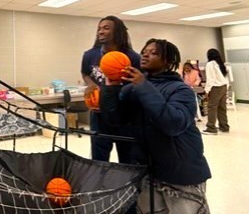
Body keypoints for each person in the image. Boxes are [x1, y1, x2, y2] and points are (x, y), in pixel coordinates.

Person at [101, 39, 211, 213]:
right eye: (144, 51)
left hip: (181, 174)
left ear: (167, 61)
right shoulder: (132, 89)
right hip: (147, 173)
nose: (145, 54)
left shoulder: (181, 90)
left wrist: (143, 86)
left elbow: (173, 124)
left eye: (154, 53)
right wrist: (110, 89)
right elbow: (115, 120)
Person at [80, 15, 140, 163]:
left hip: (125, 116)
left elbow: (139, 84)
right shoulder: (89, 55)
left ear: (118, 32)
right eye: (99, 28)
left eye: (106, 28)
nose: (100, 31)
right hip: (98, 116)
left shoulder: (133, 58)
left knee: (128, 159)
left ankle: (126, 185)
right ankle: (100, 185)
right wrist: (90, 84)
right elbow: (85, 73)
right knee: (99, 159)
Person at [202, 48, 230, 135]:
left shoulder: (210, 64)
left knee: (212, 107)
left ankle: (211, 128)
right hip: (224, 86)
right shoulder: (221, 63)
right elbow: (225, 77)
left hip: (216, 87)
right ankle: (224, 126)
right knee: (222, 108)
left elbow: (211, 79)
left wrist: (207, 91)